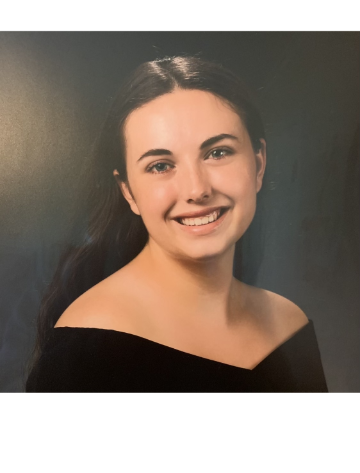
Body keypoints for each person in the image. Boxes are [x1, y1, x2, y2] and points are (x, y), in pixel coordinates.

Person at [26, 56, 328, 393]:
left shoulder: (290, 323)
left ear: (258, 164)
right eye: (160, 166)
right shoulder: (84, 352)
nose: (197, 189)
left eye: (217, 152)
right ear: (128, 191)